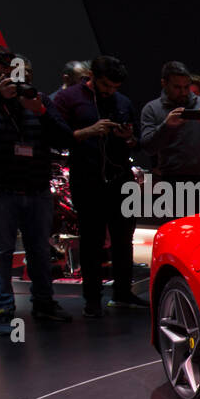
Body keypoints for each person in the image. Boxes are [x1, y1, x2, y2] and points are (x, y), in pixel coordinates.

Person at [0, 48, 93, 332]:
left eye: (24, 75)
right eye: (13, 74)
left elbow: (65, 139)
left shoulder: (40, 101)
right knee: (0, 251)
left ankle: (45, 304)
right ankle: (3, 311)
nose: (19, 80)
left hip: (35, 188)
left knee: (40, 250)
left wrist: (41, 112)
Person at [52, 54, 142, 317]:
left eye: (115, 87)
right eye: (106, 86)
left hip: (120, 178)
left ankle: (123, 293)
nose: (110, 91)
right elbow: (55, 136)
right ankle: (92, 300)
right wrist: (87, 132)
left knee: (124, 239)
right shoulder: (68, 99)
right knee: (91, 241)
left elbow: (136, 137)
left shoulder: (122, 101)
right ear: (92, 76)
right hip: (87, 179)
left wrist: (129, 138)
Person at [139, 61, 200, 185]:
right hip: (172, 180)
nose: (183, 92)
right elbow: (148, 148)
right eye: (177, 87)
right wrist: (166, 126)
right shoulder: (152, 108)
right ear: (164, 83)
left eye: (186, 87)